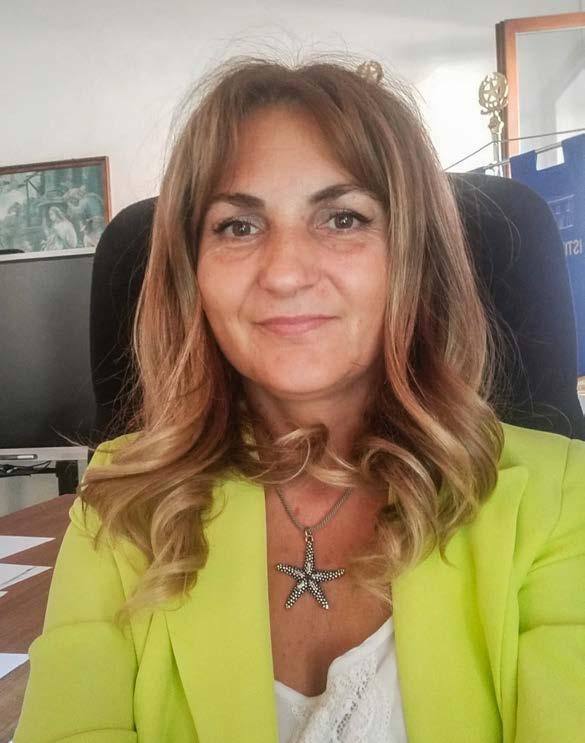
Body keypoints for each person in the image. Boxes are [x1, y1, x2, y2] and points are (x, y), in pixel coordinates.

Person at [14, 56, 585, 743]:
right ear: (192, 272)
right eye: (238, 226)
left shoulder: (560, 498)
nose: (285, 272)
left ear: (412, 256)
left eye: (342, 218)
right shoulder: (121, 502)